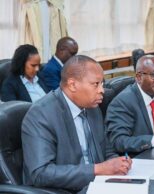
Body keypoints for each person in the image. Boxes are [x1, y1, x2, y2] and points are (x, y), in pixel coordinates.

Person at [22, 55, 132, 193]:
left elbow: (106, 148)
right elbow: (40, 173)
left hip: (98, 185)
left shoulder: (92, 107)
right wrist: (98, 169)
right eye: (96, 84)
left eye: (102, 84)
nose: (102, 90)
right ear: (73, 84)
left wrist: (118, 163)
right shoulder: (41, 115)